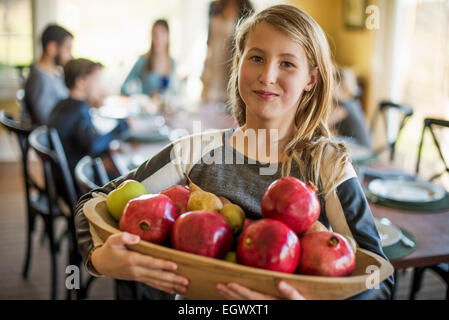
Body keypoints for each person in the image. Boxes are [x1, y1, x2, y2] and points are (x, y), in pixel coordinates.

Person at [74, 5, 393, 300]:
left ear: (311, 78)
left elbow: (377, 278)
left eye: (286, 63)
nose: (267, 75)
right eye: (256, 57)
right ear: (238, 62)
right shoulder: (196, 151)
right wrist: (101, 260)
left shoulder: (327, 165)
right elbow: (93, 204)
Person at [48, 58, 128, 180]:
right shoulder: (78, 110)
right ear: (81, 82)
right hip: (79, 181)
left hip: (65, 176)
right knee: (128, 173)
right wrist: (121, 127)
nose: (100, 87)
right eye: (97, 81)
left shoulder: (64, 105)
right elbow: (93, 145)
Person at [201, 0, 254, 103]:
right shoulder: (214, 6)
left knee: (228, 106)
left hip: (230, 65)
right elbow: (209, 40)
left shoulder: (247, 8)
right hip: (211, 64)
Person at [24, 24, 73, 124]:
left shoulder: (55, 73)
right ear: (52, 48)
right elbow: (45, 119)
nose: (70, 56)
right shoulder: (39, 79)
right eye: (67, 49)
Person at [120, 19, 177, 98]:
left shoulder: (173, 63)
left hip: (166, 109)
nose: (158, 38)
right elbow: (124, 88)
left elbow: (174, 92)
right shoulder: (143, 60)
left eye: (162, 33)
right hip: (146, 109)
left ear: (168, 36)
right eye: (155, 34)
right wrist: (143, 95)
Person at [329, 66, 372, 149]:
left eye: (332, 85)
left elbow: (326, 123)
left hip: (361, 149)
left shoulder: (346, 106)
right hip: (357, 145)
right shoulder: (352, 102)